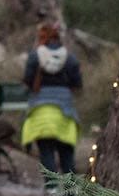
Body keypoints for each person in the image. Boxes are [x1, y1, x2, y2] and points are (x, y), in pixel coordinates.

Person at [22, 22, 83, 178]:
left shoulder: (34, 57)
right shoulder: (70, 58)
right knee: (66, 152)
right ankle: (71, 192)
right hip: (65, 112)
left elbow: (27, 81)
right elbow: (77, 85)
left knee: (46, 152)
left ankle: (52, 188)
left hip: (41, 113)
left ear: (42, 37)